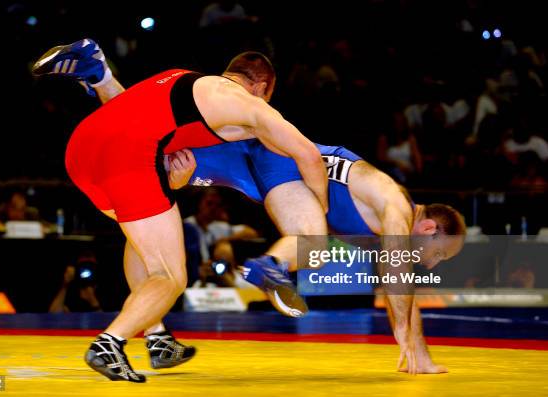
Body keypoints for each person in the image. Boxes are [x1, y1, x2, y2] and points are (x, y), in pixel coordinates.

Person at [32, 38, 328, 382]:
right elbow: (308, 155)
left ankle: (157, 338)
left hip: (83, 149)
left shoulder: (178, 79)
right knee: (170, 277)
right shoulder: (251, 105)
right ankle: (109, 343)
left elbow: (126, 118)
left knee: (142, 240)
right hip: (127, 160)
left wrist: (105, 84)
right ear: (261, 86)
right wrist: (321, 207)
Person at [171, 139, 466, 374]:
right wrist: (402, 329)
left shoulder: (392, 225)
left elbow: (398, 285)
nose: (431, 263)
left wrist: (420, 354)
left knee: (168, 164)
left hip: (272, 172)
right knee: (315, 247)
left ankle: (272, 264)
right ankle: (271, 265)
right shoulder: (395, 203)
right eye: (438, 253)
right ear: (428, 228)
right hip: (287, 162)